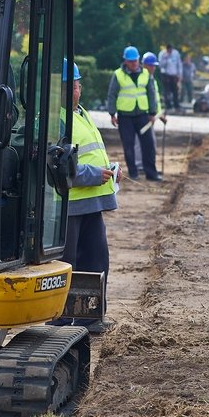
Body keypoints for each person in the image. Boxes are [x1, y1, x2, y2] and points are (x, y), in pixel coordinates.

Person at [53, 61, 120, 330]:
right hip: (68, 205)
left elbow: (91, 152)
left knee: (96, 259)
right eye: (72, 86)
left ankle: (89, 318)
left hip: (91, 202)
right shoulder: (53, 119)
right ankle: (58, 318)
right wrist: (94, 174)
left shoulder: (81, 114)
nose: (76, 91)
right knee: (66, 264)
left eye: (77, 86)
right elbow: (56, 165)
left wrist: (110, 169)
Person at [107, 46, 162, 182]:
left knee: (148, 144)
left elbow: (151, 94)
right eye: (131, 61)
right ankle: (133, 173)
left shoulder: (145, 74)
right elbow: (112, 95)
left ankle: (151, 173)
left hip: (143, 115)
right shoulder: (118, 74)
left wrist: (152, 112)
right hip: (125, 116)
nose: (133, 63)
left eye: (135, 60)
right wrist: (112, 114)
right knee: (128, 145)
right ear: (125, 61)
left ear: (138, 60)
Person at [134, 52, 166, 173]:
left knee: (150, 143)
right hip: (143, 116)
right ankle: (139, 165)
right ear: (144, 65)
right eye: (151, 65)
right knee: (140, 141)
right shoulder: (142, 77)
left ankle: (146, 165)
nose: (153, 68)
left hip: (150, 116)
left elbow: (154, 100)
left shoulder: (151, 79)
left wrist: (158, 114)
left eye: (154, 65)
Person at [157, 44, 182, 111]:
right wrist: (166, 58)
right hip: (166, 75)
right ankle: (168, 106)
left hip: (174, 75)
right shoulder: (162, 54)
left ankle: (176, 105)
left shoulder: (176, 53)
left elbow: (179, 64)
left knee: (175, 91)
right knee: (167, 92)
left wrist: (180, 75)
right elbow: (160, 65)